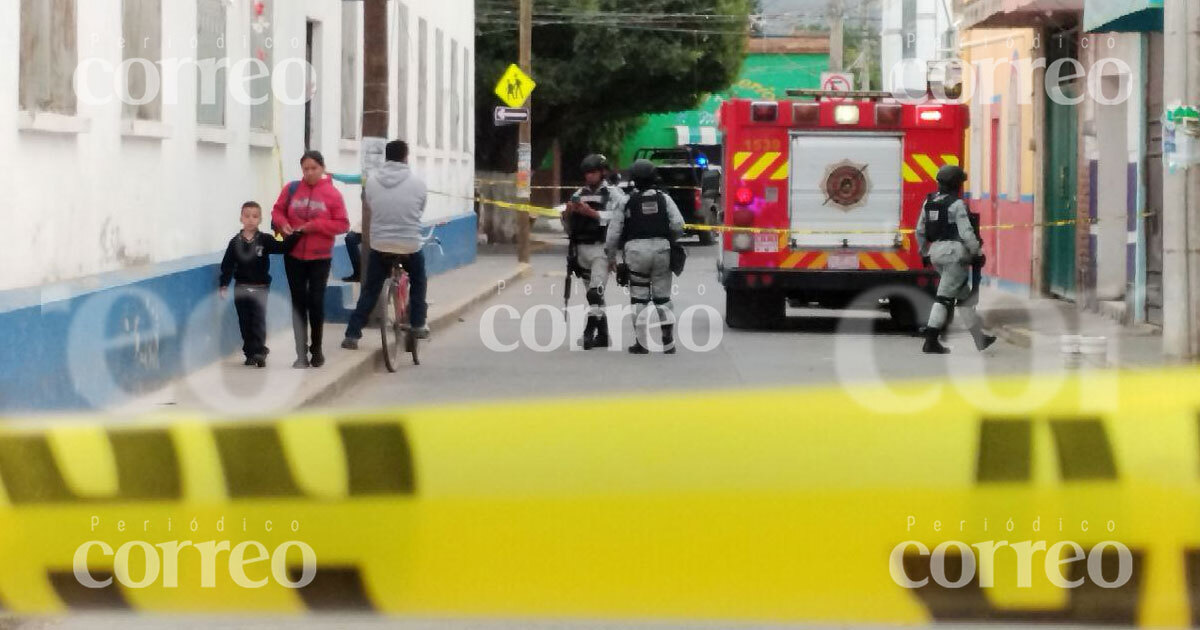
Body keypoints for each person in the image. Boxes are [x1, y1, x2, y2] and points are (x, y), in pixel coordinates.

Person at [341, 140, 430, 350]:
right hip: (409, 245)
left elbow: (370, 204)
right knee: (419, 280)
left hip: (380, 244)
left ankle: (352, 334)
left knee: (371, 289)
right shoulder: (418, 183)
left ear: (386, 157)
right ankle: (418, 323)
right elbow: (420, 209)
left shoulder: (372, 181)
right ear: (406, 157)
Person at [271, 150, 350, 369]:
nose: (310, 173)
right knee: (298, 303)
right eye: (306, 169)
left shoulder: (333, 195)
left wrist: (316, 226)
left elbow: (343, 224)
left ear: (322, 168)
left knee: (315, 302)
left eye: (314, 168)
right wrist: (282, 223)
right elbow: (277, 211)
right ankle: (300, 353)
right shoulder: (292, 189)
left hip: (319, 256)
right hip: (293, 254)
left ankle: (317, 349)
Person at [606, 159, 685, 354]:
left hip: (636, 252)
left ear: (634, 180)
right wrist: (668, 240)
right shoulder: (664, 199)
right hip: (662, 250)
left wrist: (611, 256)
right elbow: (679, 225)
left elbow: (614, 232)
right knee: (663, 297)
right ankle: (668, 343)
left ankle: (641, 344)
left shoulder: (626, 201)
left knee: (639, 298)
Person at [916, 165, 996, 354]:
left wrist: (924, 252)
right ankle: (931, 340)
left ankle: (979, 338)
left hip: (935, 252)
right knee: (943, 298)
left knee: (964, 297)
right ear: (956, 184)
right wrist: (977, 253)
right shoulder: (956, 204)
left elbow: (919, 230)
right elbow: (966, 233)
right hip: (954, 254)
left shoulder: (929, 202)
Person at [218, 202, 298, 368]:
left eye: (255, 216)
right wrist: (224, 284)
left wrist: (295, 235)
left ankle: (260, 351)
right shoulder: (235, 243)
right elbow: (227, 264)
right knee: (245, 321)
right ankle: (249, 353)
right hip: (240, 288)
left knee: (258, 320)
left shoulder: (265, 240)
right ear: (241, 218)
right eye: (247, 216)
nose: (250, 220)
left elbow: (282, 247)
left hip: (261, 288)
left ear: (260, 219)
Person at [565, 154, 626, 349]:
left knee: (595, 292)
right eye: (587, 173)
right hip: (581, 249)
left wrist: (593, 214)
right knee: (593, 295)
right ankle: (603, 334)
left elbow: (621, 217)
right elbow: (568, 226)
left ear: (602, 172)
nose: (589, 177)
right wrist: (568, 212)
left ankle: (589, 333)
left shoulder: (613, 194)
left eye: (593, 172)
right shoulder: (578, 194)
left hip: (602, 248)